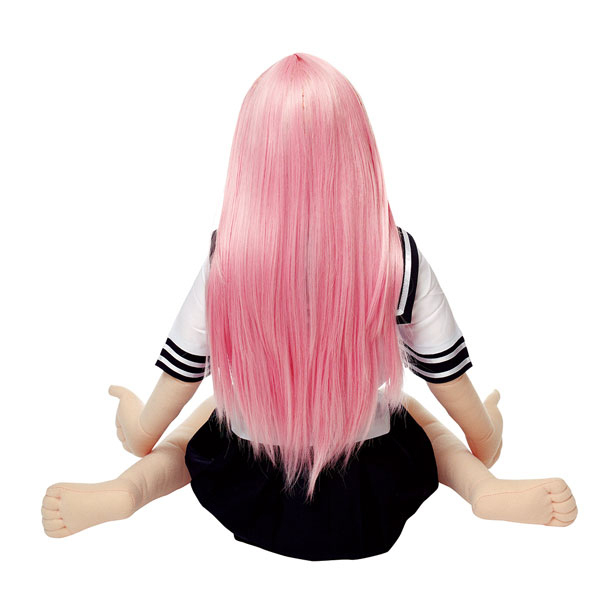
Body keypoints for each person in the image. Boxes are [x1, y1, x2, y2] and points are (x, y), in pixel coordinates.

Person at [42, 53, 577, 559]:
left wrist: (138, 431)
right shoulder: (395, 257)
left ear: (252, 156)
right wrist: (486, 436)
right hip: (368, 487)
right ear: (356, 147)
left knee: (202, 421)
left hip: (254, 484)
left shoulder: (228, 257)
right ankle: (484, 488)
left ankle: (129, 489)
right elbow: (445, 373)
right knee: (420, 418)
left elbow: (184, 371)